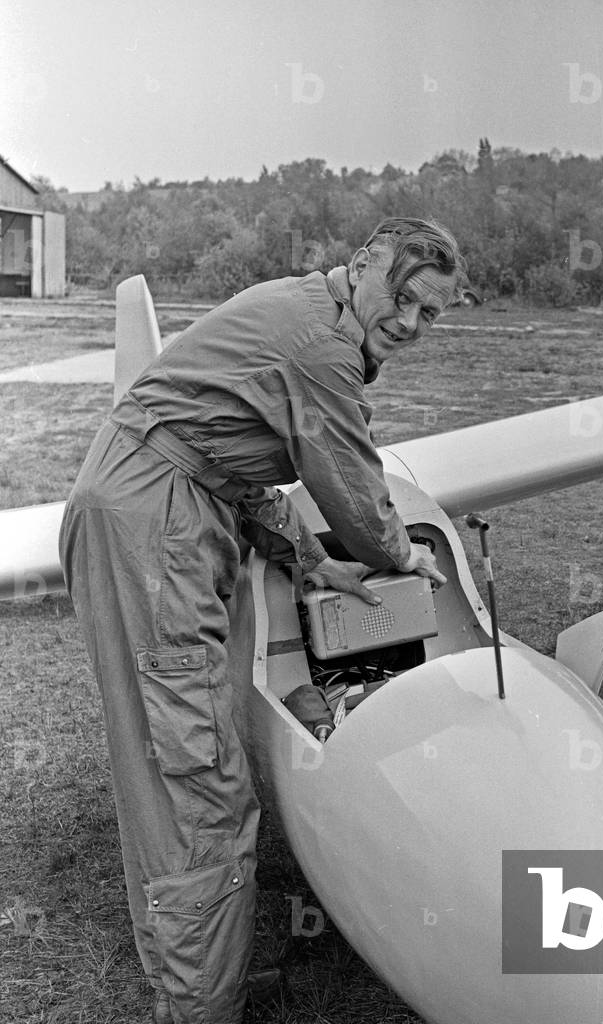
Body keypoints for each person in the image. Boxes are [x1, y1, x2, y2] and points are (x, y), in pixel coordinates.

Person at [58, 217, 463, 1022]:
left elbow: (231, 463)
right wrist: (396, 556)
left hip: (162, 506)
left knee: (171, 769)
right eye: (404, 300)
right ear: (363, 268)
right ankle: (201, 1004)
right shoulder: (322, 349)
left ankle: (201, 973)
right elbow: (353, 488)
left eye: (433, 315)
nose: (412, 326)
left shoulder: (302, 313)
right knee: (197, 779)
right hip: (155, 529)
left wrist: (313, 563)